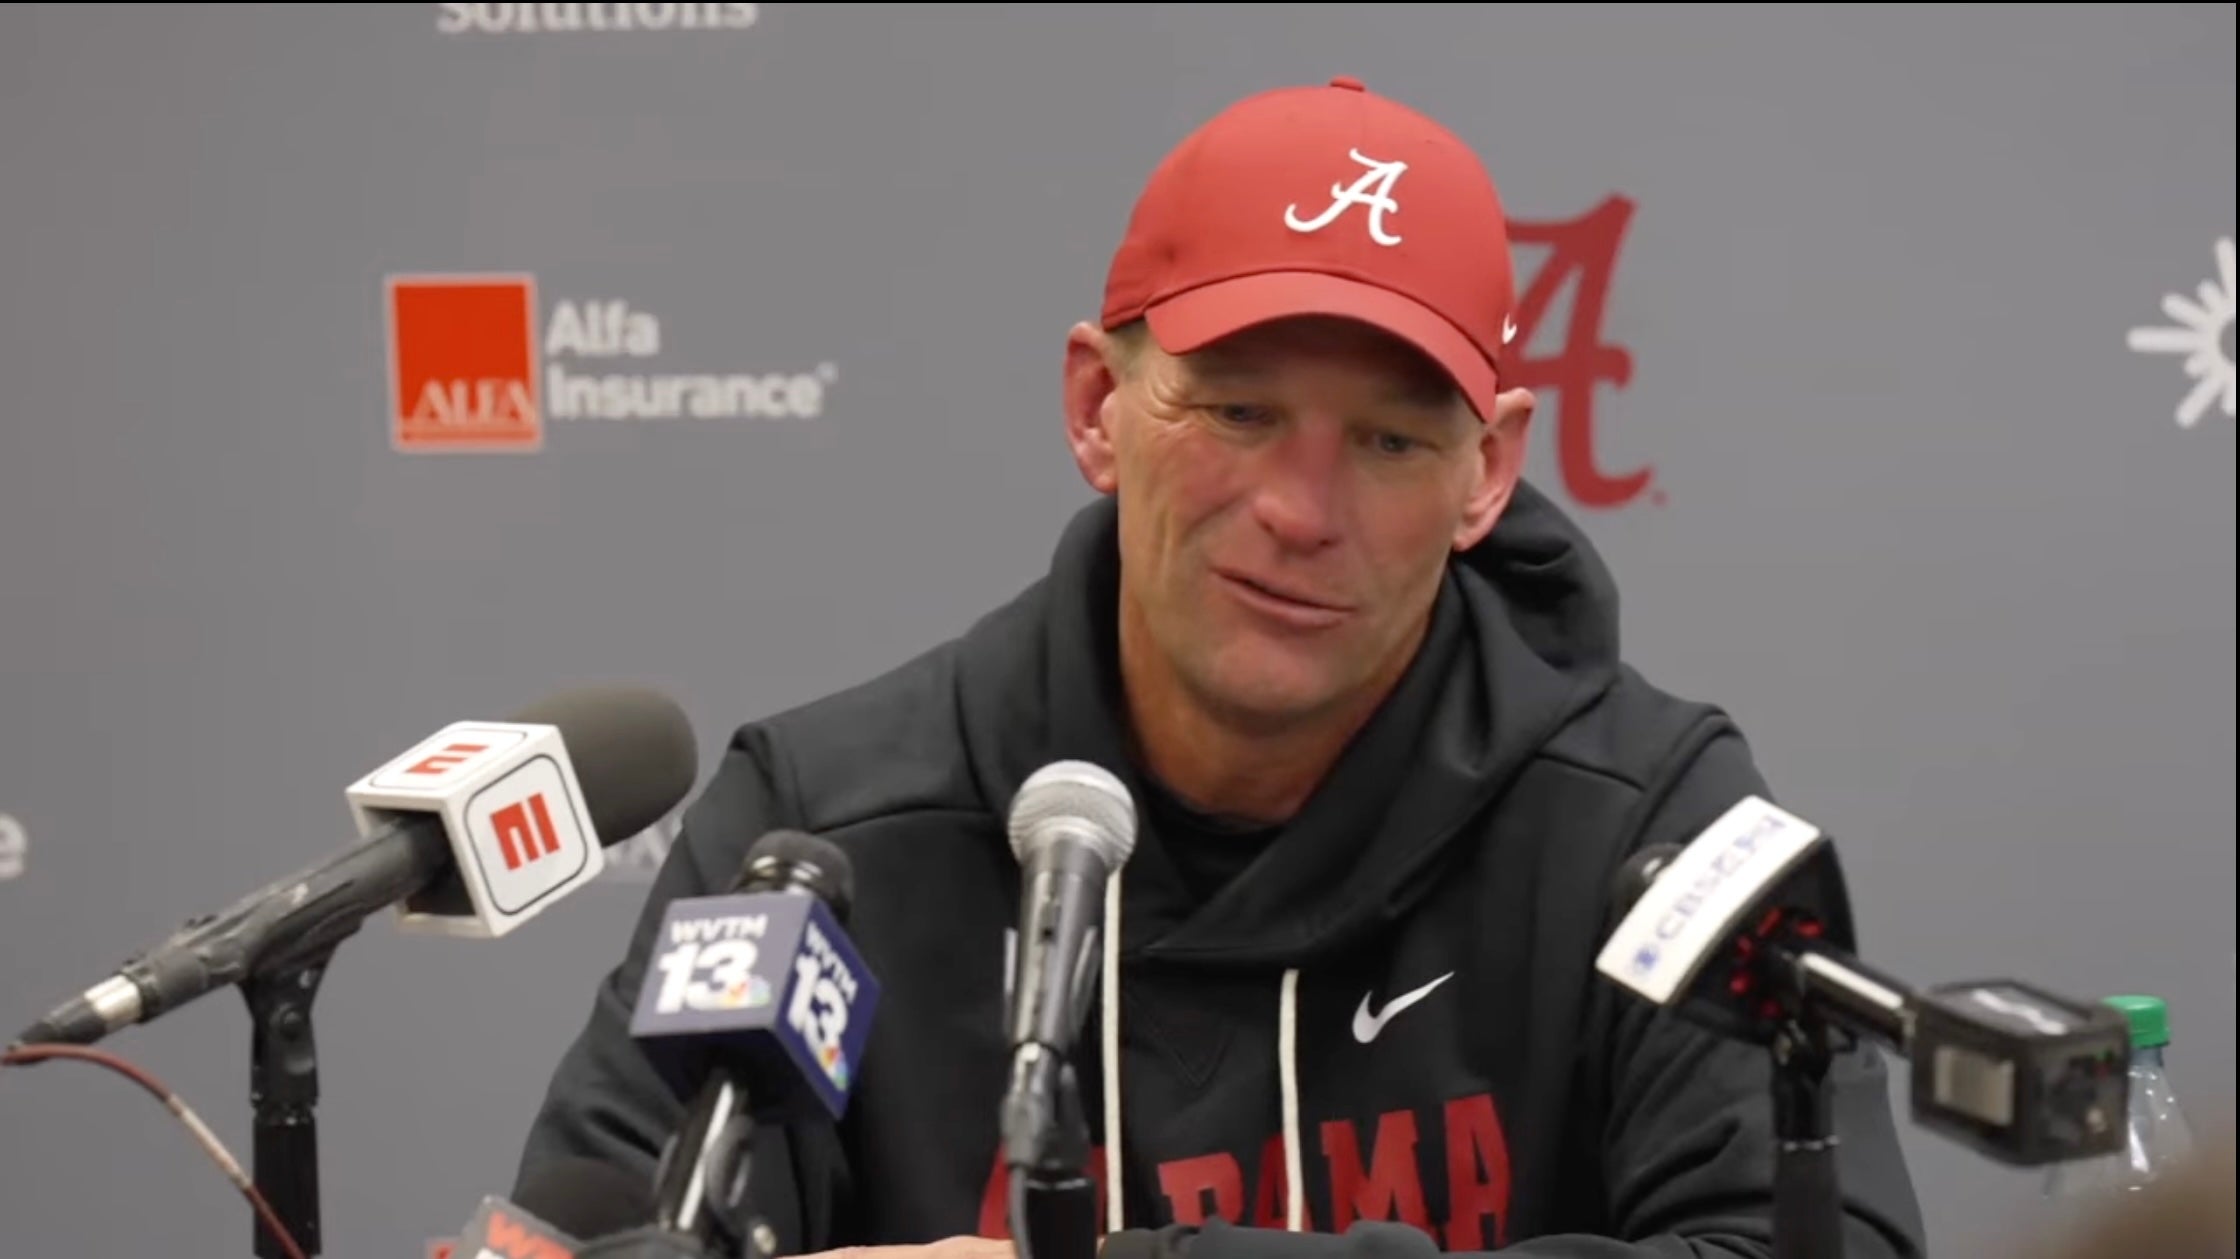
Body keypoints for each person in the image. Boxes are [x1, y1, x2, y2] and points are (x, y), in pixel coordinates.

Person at [514, 75, 1929, 1259]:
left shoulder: (1645, 829)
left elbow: (1815, 1247)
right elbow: (596, 1236)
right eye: (1239, 413)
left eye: (1388, 441)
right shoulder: (825, 831)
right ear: (1097, 408)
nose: (1303, 512)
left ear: (1487, 471)